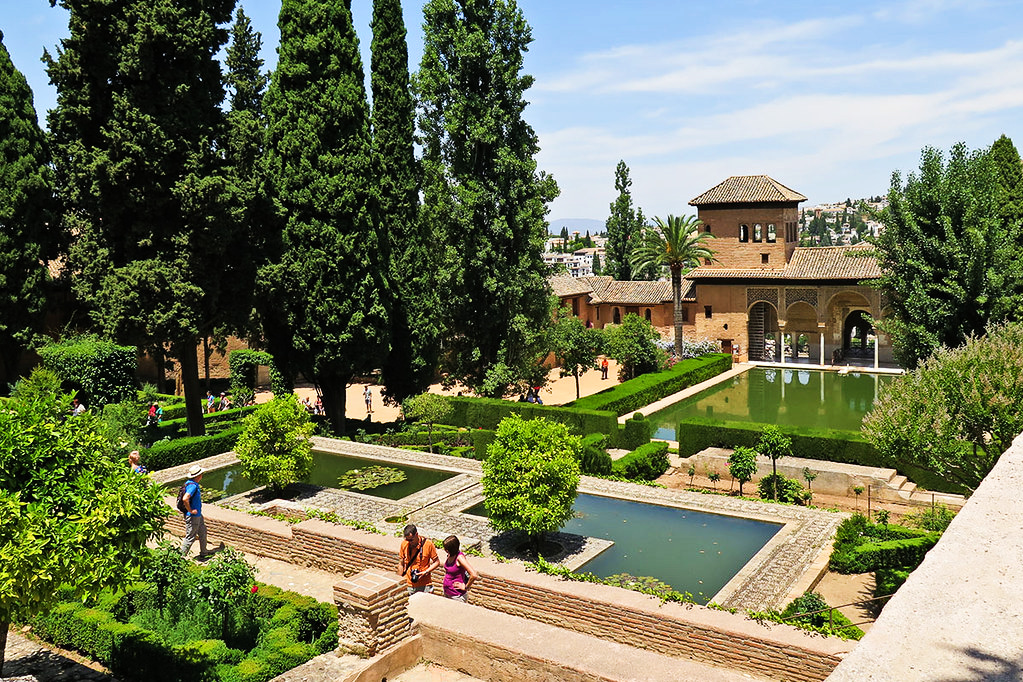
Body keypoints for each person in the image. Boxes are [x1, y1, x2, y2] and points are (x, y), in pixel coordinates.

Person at [180, 465, 221, 559]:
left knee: (203, 531)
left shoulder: (189, 483)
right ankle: (180, 558)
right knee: (190, 537)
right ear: (198, 476)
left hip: (198, 515)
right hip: (193, 516)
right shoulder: (192, 486)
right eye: (201, 474)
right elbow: (185, 498)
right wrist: (190, 510)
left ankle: (204, 552)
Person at [398, 523, 438, 596]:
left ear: (416, 534)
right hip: (409, 583)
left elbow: (437, 562)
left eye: (411, 540)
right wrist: (398, 581)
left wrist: (426, 571)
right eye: (407, 540)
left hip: (425, 584)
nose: (409, 542)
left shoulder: (428, 544)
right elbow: (401, 564)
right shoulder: (404, 544)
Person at [441, 535, 478, 602]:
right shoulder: (450, 555)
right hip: (448, 592)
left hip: (457, 595)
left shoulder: (459, 558)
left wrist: (466, 587)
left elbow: (474, 575)